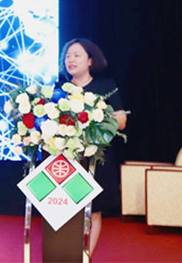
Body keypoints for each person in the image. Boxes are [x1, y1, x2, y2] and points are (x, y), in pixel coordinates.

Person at [56, 38, 127, 256]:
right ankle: (65, 254)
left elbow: (122, 121)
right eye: (68, 56)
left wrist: (97, 118)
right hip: (67, 159)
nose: (70, 59)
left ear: (90, 60)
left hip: (97, 158)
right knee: (67, 209)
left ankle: (85, 257)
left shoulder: (105, 86)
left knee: (93, 212)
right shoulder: (60, 89)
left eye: (77, 55)